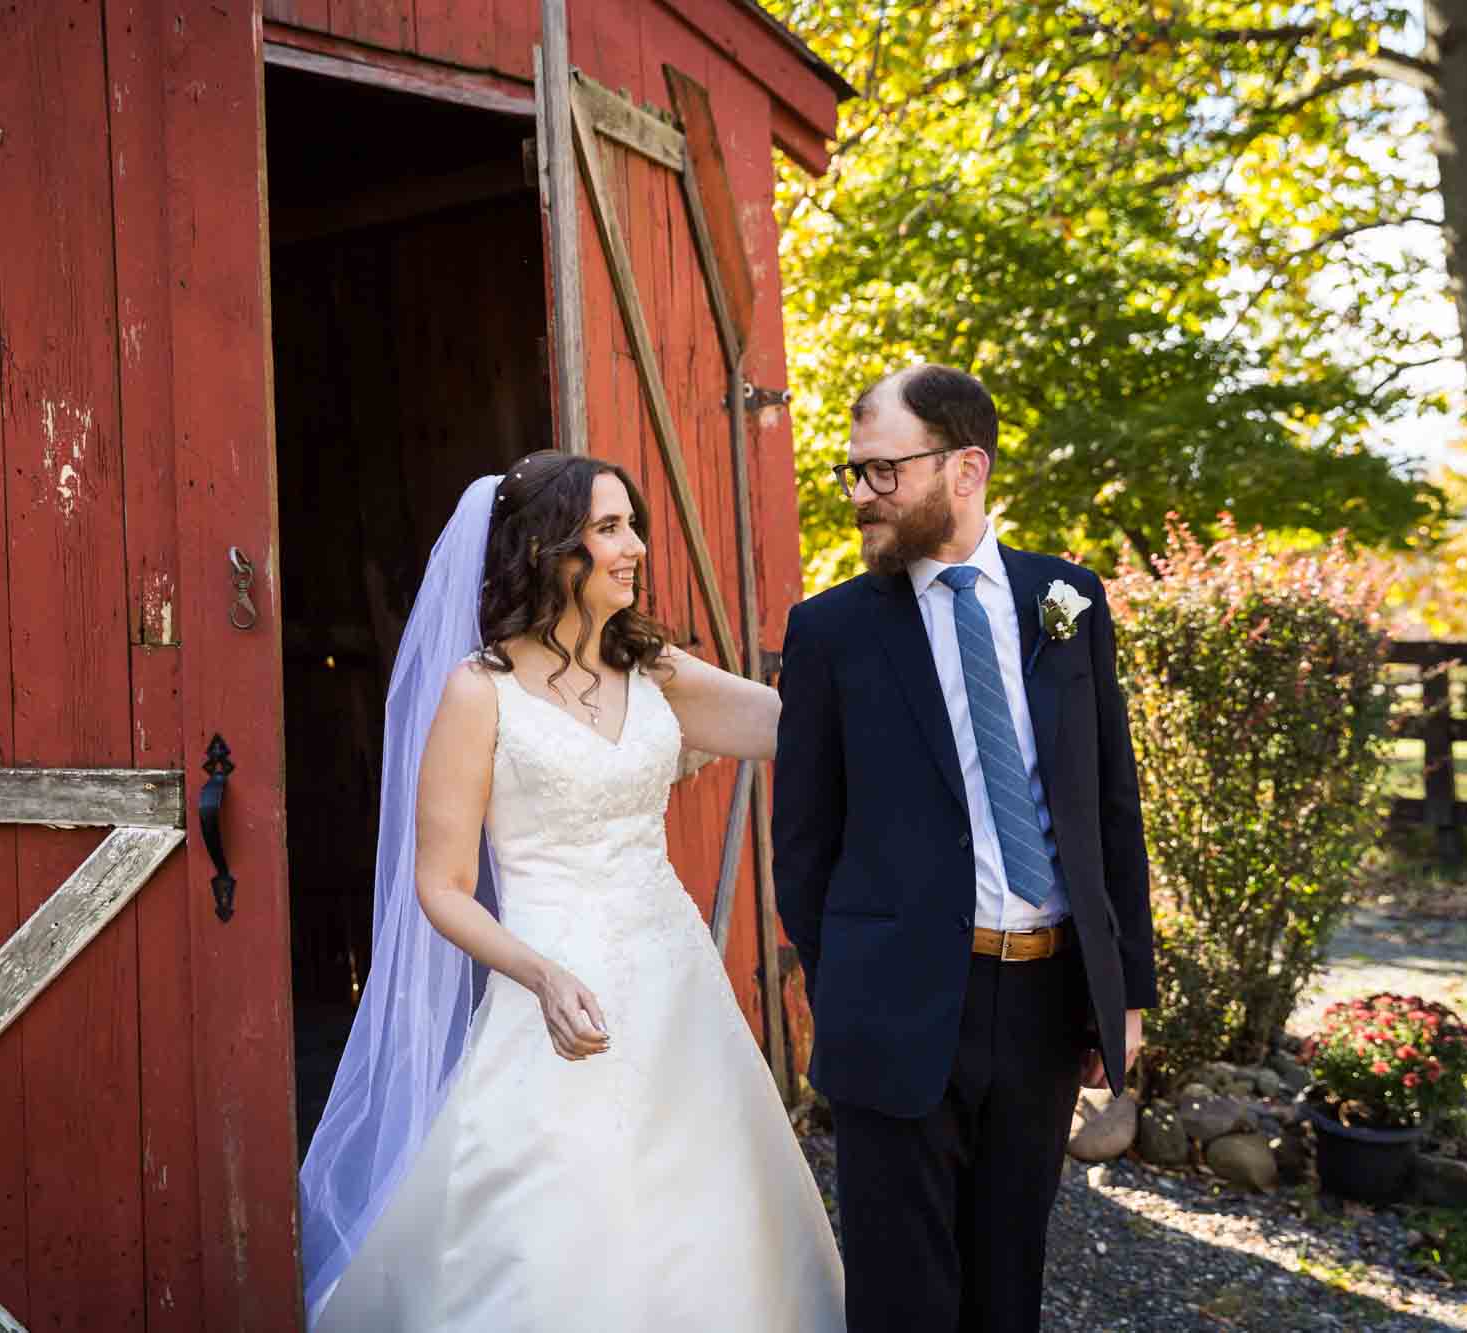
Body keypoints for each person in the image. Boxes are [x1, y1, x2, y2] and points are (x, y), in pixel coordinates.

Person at [300, 452, 843, 1331]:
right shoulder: (480, 692)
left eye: (632, 525)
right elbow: (441, 887)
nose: (634, 547)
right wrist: (541, 975)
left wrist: (887, 662)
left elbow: (789, 724)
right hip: (552, 985)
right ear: (550, 550)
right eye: (608, 528)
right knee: (556, 1215)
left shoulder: (653, 667)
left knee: (710, 1212)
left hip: (676, 985)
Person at [773, 365, 1157, 1333]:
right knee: (902, 1292)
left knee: (1006, 1278)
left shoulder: (1068, 599)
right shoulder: (831, 630)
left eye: (881, 472)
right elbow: (802, 842)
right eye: (851, 472)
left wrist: (1128, 991)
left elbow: (1109, 805)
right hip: (894, 1000)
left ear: (965, 467)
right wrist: (853, 981)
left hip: (1040, 1001)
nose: (860, 494)